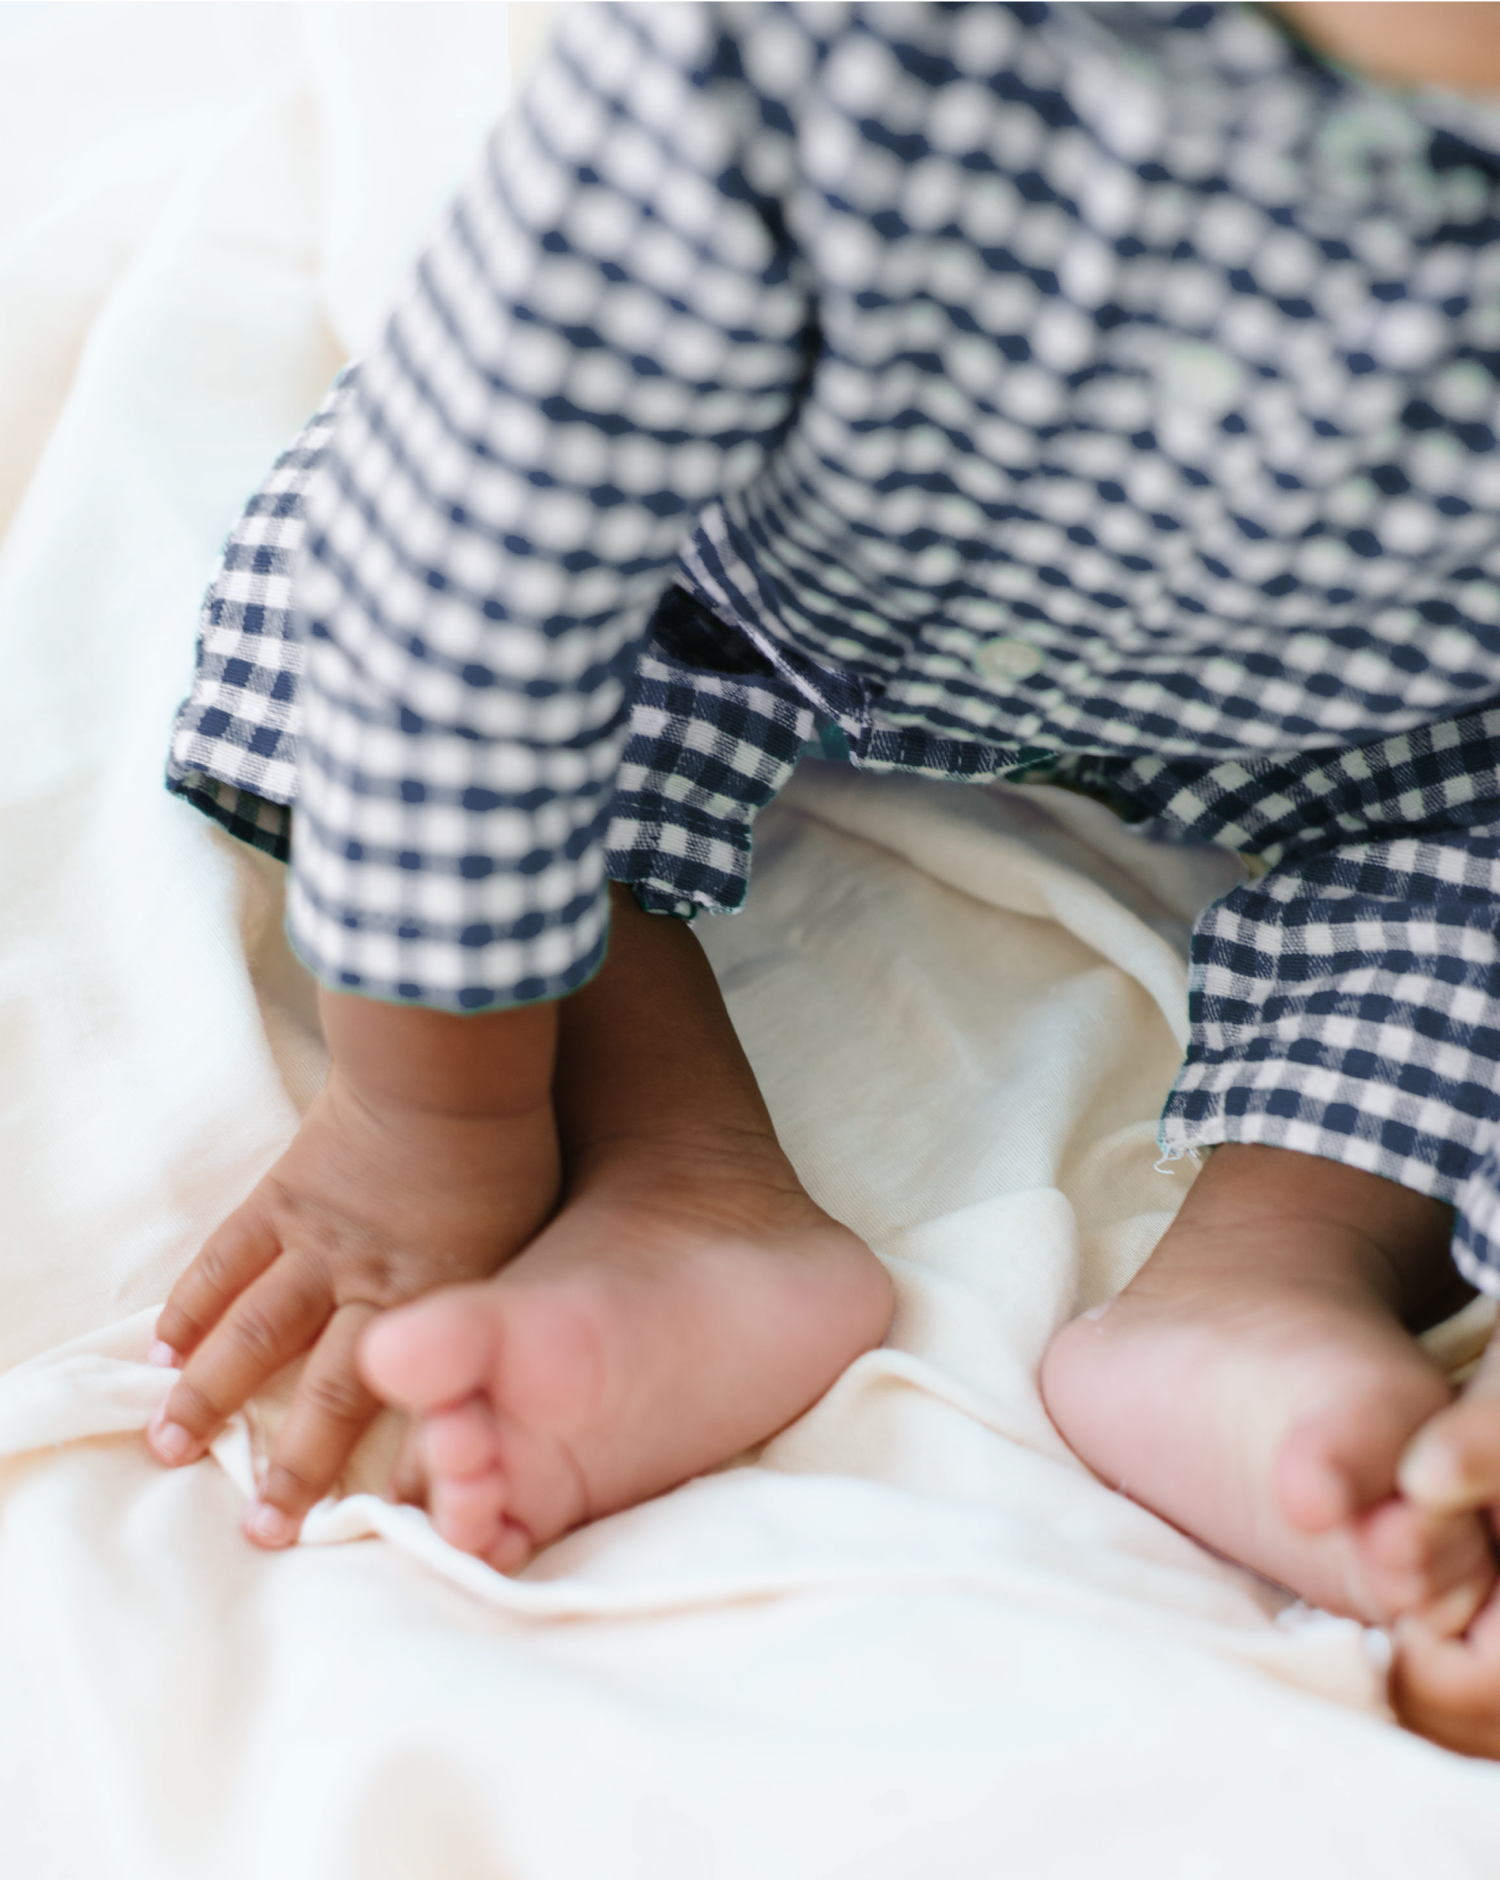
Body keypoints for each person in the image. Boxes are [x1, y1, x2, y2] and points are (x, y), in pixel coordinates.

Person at [157, 0, 1500, 1753]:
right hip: (748, 595)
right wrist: (438, 1121)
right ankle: (680, 1177)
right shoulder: (823, 41)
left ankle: (1277, 1273)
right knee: (359, 597)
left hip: (1401, 727)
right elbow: (476, 550)